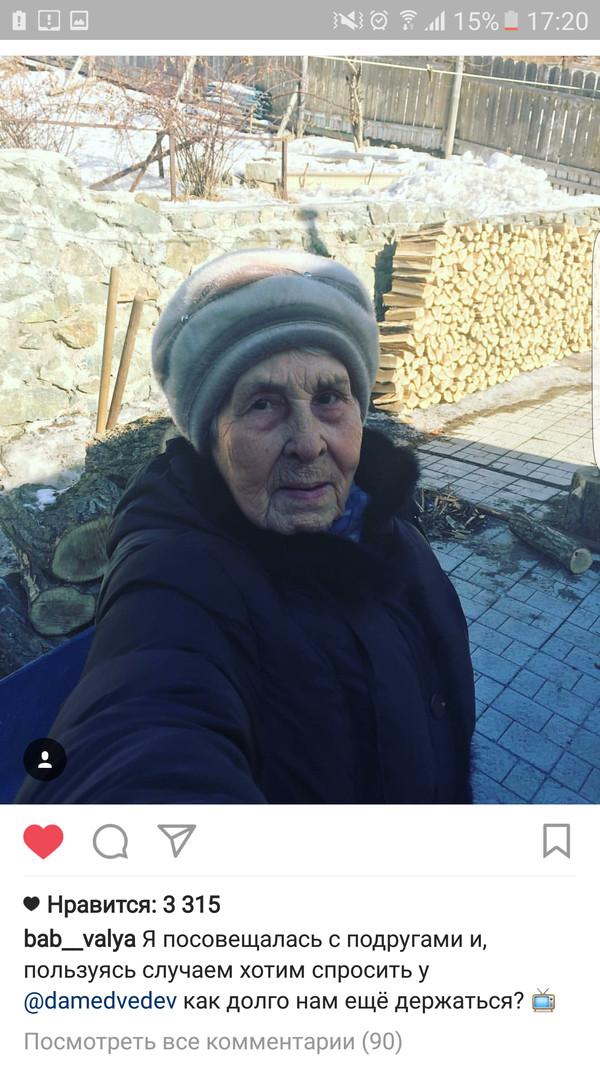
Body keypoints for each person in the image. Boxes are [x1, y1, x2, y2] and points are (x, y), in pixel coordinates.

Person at [16, 249, 475, 804]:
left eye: (329, 397)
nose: (308, 443)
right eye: (262, 404)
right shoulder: (180, 577)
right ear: (210, 438)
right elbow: (140, 722)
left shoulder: (386, 527)